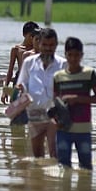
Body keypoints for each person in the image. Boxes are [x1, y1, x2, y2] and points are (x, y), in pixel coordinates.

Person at [52, 37, 96, 170]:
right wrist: (54, 119)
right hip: (63, 129)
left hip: (83, 129)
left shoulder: (89, 74)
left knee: (86, 168)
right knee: (63, 168)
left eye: (77, 55)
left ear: (82, 55)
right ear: (65, 55)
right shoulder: (58, 77)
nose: (73, 59)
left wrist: (76, 98)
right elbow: (54, 102)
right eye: (70, 55)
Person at [16, 28, 66, 158]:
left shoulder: (63, 64)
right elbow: (22, 84)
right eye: (45, 45)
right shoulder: (29, 62)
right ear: (39, 44)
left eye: (51, 45)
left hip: (55, 113)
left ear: (56, 45)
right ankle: (39, 177)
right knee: (37, 153)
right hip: (35, 112)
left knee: (54, 151)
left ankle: (55, 174)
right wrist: (21, 90)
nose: (48, 48)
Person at [1, 21, 40, 104]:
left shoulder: (38, 50)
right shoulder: (16, 49)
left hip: (33, 79)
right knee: (15, 105)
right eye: (30, 36)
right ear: (24, 35)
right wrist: (5, 91)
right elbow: (10, 71)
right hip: (19, 79)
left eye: (35, 37)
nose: (32, 39)